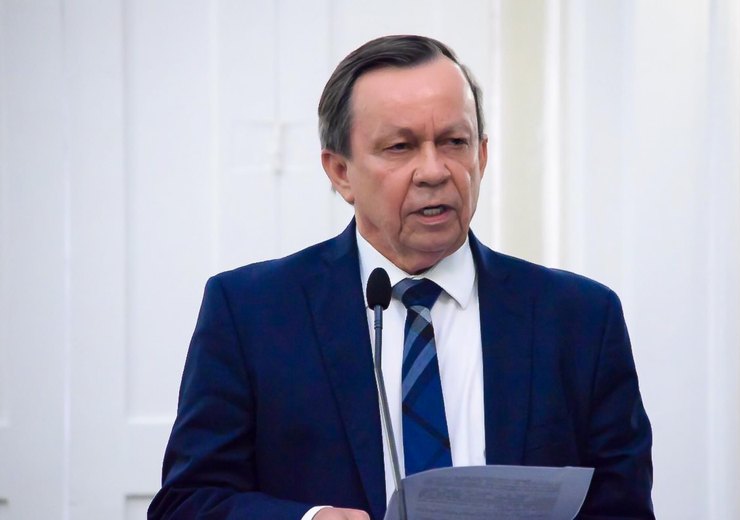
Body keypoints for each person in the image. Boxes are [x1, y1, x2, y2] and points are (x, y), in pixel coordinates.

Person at [148, 35, 653, 520]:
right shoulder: (251, 312)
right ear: (340, 172)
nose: (434, 171)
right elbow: (187, 503)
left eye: (454, 142)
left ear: (481, 156)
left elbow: (622, 508)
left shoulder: (581, 318)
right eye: (399, 147)